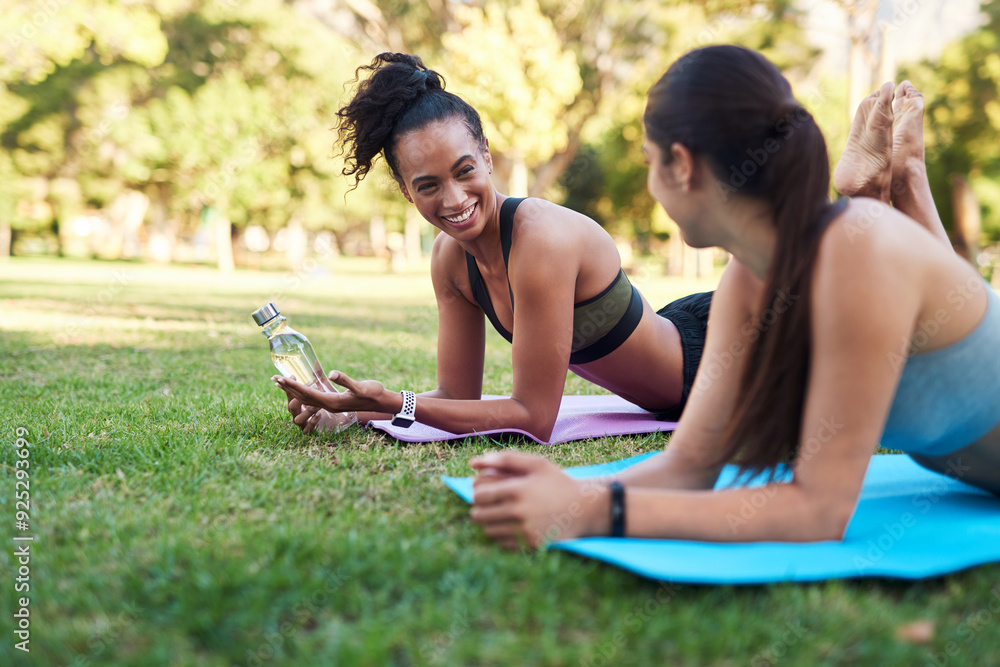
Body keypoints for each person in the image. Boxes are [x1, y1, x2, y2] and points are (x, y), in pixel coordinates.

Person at [467, 45, 1000, 550]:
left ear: (682, 164)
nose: (651, 184)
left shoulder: (861, 257)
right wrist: (570, 492)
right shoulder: (746, 282)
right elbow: (689, 465)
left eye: (651, 162)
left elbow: (819, 510)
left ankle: (902, 179)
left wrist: (596, 512)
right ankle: (897, 180)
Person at [274, 53, 712, 440]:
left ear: (486, 155)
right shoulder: (449, 260)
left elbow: (534, 417)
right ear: (406, 191)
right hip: (675, 349)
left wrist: (393, 404)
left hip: (714, 366)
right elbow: (456, 395)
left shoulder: (541, 239)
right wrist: (362, 410)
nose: (454, 199)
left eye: (464, 170)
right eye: (428, 186)